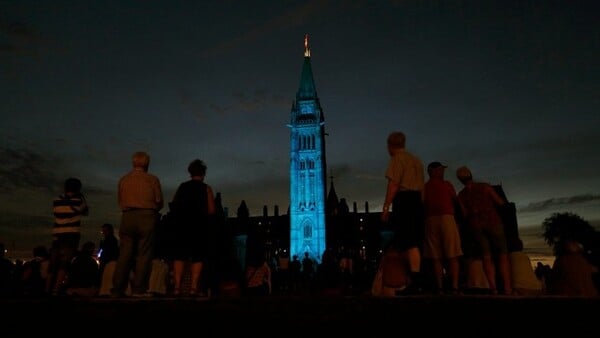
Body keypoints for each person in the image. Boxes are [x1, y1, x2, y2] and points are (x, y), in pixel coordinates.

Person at [112, 151, 163, 298]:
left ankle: (117, 289)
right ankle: (139, 289)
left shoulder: (124, 180)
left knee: (124, 254)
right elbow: (158, 200)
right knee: (144, 254)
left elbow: (120, 200)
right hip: (146, 216)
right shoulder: (152, 179)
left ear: (133, 163)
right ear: (147, 164)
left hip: (127, 216)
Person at [380, 131, 425, 294]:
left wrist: (386, 207)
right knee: (412, 242)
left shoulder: (397, 160)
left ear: (390, 146)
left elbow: (393, 184)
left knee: (408, 242)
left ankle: (414, 282)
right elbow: (422, 187)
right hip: (417, 201)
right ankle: (414, 280)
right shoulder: (416, 161)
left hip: (404, 200)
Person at [456, 166, 512, 295]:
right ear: (471, 174)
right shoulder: (485, 187)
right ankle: (507, 287)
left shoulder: (461, 195)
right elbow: (499, 202)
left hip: (476, 226)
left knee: (487, 256)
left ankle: (493, 287)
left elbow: (464, 214)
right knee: (503, 254)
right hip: (493, 222)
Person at [169, 159, 216, 297]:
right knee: (198, 256)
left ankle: (177, 287)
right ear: (203, 173)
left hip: (182, 225)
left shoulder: (182, 187)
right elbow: (211, 210)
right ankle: (194, 287)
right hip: (199, 226)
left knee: (180, 256)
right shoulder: (206, 188)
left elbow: (174, 204)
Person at [422, 161, 463, 294]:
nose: (443, 172)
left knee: (436, 256)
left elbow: (422, 204)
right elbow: (456, 202)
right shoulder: (447, 185)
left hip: (430, 220)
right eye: (440, 170)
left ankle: (440, 287)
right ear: (435, 171)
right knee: (453, 253)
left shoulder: (424, 187)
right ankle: (455, 286)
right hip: (447, 218)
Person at [47, 177, 89, 295]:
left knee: (53, 262)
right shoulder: (78, 201)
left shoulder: (57, 200)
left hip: (57, 233)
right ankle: (56, 289)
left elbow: (58, 212)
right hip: (71, 233)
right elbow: (85, 211)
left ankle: (47, 288)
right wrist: (81, 197)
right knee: (65, 262)